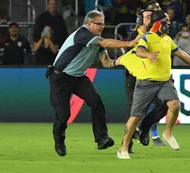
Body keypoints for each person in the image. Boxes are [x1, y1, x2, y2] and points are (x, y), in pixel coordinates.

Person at [46, 10, 141, 157]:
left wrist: (125, 60)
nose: (102, 27)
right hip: (60, 78)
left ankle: (102, 139)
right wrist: (129, 43)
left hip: (78, 78)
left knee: (96, 101)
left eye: (103, 24)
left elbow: (106, 62)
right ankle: (59, 140)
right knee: (64, 115)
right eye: (99, 24)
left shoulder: (96, 39)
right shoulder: (83, 34)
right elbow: (104, 42)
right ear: (88, 23)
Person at [117, 10, 190, 159]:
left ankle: (167, 133)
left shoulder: (167, 39)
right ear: (157, 23)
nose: (168, 25)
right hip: (146, 83)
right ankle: (123, 148)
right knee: (135, 117)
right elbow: (139, 51)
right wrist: (149, 55)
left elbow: (181, 53)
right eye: (166, 22)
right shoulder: (147, 37)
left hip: (165, 81)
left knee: (175, 105)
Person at [124, 1, 168, 151]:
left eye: (152, 16)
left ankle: (145, 127)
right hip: (134, 78)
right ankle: (127, 145)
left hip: (152, 78)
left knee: (165, 104)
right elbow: (129, 57)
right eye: (148, 17)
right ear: (141, 19)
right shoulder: (135, 35)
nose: (151, 19)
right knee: (133, 113)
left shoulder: (159, 35)